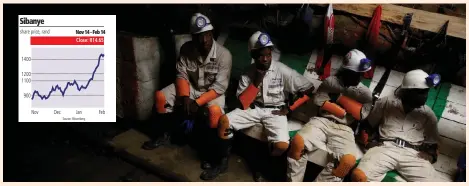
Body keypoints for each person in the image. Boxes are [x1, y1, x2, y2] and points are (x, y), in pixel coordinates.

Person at [199, 31, 316, 181]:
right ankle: (221, 163)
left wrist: (290, 108)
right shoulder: (248, 72)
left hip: (276, 112)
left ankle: (262, 167)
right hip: (252, 108)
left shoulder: (282, 70)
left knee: (281, 145)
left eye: (268, 54)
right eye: (261, 55)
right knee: (224, 122)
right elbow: (244, 103)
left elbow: (309, 88)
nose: (266, 59)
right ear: (253, 55)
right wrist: (257, 80)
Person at [142, 13, 232, 169]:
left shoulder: (224, 55)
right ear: (192, 37)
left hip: (213, 92)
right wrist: (185, 97)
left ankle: (211, 154)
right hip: (191, 87)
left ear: (211, 34)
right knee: (161, 97)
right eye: (198, 36)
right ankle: (163, 134)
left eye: (207, 35)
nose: (204, 41)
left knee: (215, 112)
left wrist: (197, 103)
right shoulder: (186, 49)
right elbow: (181, 74)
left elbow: (219, 87)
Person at [286, 49, 373, 182]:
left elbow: (361, 115)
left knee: (347, 161)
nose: (358, 77)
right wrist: (346, 107)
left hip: (344, 129)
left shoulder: (365, 93)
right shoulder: (331, 82)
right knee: (298, 143)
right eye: (354, 73)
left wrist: (337, 98)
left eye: (359, 74)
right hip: (322, 121)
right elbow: (318, 101)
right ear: (346, 70)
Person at [351, 69, 441, 182]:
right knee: (359, 176)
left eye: (426, 92)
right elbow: (368, 126)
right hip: (385, 147)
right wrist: (369, 142)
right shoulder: (387, 102)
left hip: (413, 154)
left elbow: (433, 145)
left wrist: (429, 156)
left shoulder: (429, 114)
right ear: (408, 91)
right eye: (420, 92)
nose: (425, 96)